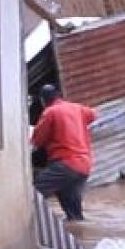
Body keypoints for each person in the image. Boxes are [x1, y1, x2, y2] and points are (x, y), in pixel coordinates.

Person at [32, 84, 98, 222]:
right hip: (84, 166)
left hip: (65, 164)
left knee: (33, 193)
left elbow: (37, 141)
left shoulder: (50, 112)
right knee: (74, 216)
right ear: (59, 95)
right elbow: (94, 114)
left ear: (43, 100)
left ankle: (36, 226)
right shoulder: (77, 108)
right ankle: (78, 235)